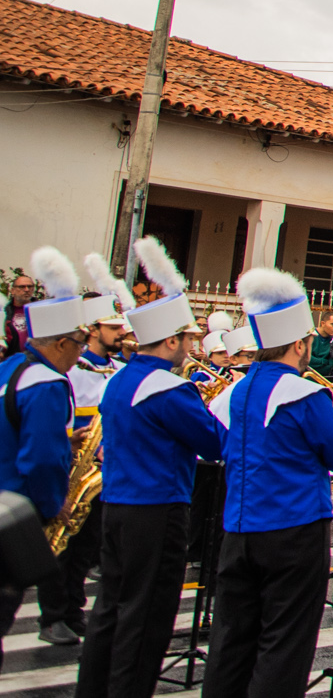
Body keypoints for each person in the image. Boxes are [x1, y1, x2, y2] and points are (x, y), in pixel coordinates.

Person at [203, 266, 333, 698]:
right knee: (284, 645)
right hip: (293, 530)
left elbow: (218, 446)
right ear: (298, 343)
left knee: (232, 641)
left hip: (238, 530)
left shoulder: (233, 391)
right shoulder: (304, 394)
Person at [79, 239, 221, 698]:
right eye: (187, 341)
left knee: (110, 611)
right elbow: (214, 444)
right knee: (147, 619)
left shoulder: (120, 378)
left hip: (118, 504)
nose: (190, 349)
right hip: (158, 508)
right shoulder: (169, 389)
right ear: (172, 340)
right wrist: (215, 405)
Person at [0, 250, 89, 655]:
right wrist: (56, 505)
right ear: (59, 343)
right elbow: (38, 460)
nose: (80, 353)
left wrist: (62, 442)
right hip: (15, 511)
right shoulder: (48, 384)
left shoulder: (10, 368)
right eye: (78, 343)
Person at [49, 280, 125, 644]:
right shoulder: (74, 369)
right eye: (112, 328)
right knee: (65, 542)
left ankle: (73, 609)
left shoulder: (117, 368)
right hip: (77, 463)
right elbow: (61, 419)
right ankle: (53, 615)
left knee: (88, 544)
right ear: (92, 330)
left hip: (105, 467)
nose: (120, 334)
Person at [3, 271, 36, 357]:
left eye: (30, 286)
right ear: (13, 290)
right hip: (12, 360)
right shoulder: (4, 313)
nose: (26, 290)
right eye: (22, 287)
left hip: (37, 360)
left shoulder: (40, 310)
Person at [309, 312, 333, 378]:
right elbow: (307, 359)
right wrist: (324, 362)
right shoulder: (310, 336)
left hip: (325, 378)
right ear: (323, 323)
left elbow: (331, 364)